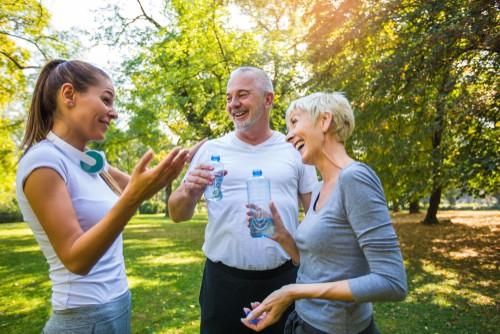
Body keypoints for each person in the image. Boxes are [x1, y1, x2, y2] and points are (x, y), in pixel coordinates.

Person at [15, 59, 198, 333]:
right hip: (83, 315)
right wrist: (133, 199)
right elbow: (76, 260)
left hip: (117, 304)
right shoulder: (44, 161)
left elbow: (141, 186)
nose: (114, 113)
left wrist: (185, 166)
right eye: (106, 100)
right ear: (69, 95)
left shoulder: (89, 159)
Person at [241, 92, 408, 333]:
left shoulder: (354, 178)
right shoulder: (320, 187)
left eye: (295, 122)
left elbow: (392, 283)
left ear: (324, 121)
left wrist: (292, 292)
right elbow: (317, 265)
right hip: (307, 322)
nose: (288, 137)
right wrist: (282, 236)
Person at [168, 66, 318, 334]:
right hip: (222, 283)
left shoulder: (294, 149)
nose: (233, 104)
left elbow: (316, 214)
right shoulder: (211, 150)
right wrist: (188, 191)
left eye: (242, 95)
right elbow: (177, 214)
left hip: (284, 280)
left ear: (268, 99)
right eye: (228, 97)